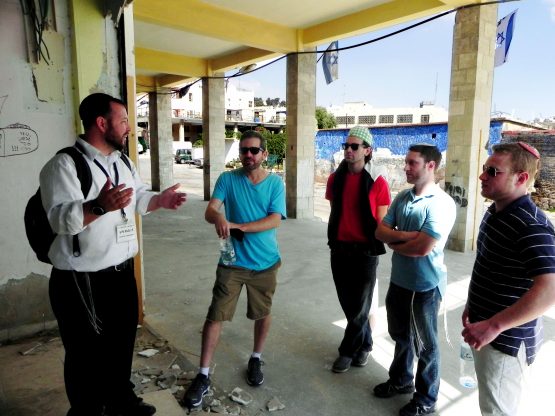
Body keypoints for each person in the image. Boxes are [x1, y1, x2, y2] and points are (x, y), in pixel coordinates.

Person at [40, 92, 187, 416]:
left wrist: (158, 201)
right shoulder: (64, 165)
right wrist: (99, 206)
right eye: (123, 121)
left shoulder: (122, 162)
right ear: (101, 123)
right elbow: (60, 220)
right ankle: (87, 411)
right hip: (81, 279)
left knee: (121, 342)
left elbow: (136, 198)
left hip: (121, 273)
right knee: (84, 353)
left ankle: (121, 400)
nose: (129, 128)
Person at [182, 130, 286, 409]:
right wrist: (218, 216)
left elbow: (275, 219)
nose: (248, 155)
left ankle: (256, 358)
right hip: (231, 262)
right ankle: (203, 375)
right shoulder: (227, 179)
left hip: (265, 262)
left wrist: (240, 227)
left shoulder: (275, 183)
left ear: (264, 154)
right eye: (243, 150)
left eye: (253, 150)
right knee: (215, 314)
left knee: (262, 312)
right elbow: (210, 210)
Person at [462, 142, 555, 416]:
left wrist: (494, 325)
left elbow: (550, 289)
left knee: (497, 410)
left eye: (493, 171)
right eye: (484, 168)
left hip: (505, 341)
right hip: (485, 329)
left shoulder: (530, 224)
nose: (482, 176)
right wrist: (472, 305)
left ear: (521, 178)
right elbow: (489, 267)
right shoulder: (496, 211)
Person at [373, 144, 456, 416]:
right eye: (406, 162)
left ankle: (426, 399)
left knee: (426, 346)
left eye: (412, 163)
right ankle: (400, 381)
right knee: (401, 336)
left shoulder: (441, 203)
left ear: (430, 166)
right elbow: (380, 233)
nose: (406, 168)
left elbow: (423, 249)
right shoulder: (403, 197)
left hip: (425, 287)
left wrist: (397, 240)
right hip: (400, 280)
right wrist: (409, 236)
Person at [325, 125, 391, 373]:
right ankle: (366, 344)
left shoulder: (377, 181)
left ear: (367, 150)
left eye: (354, 146)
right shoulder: (335, 179)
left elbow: (382, 220)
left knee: (361, 307)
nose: (348, 150)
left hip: (365, 251)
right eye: (346, 146)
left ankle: (347, 351)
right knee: (349, 305)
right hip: (339, 249)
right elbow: (335, 211)